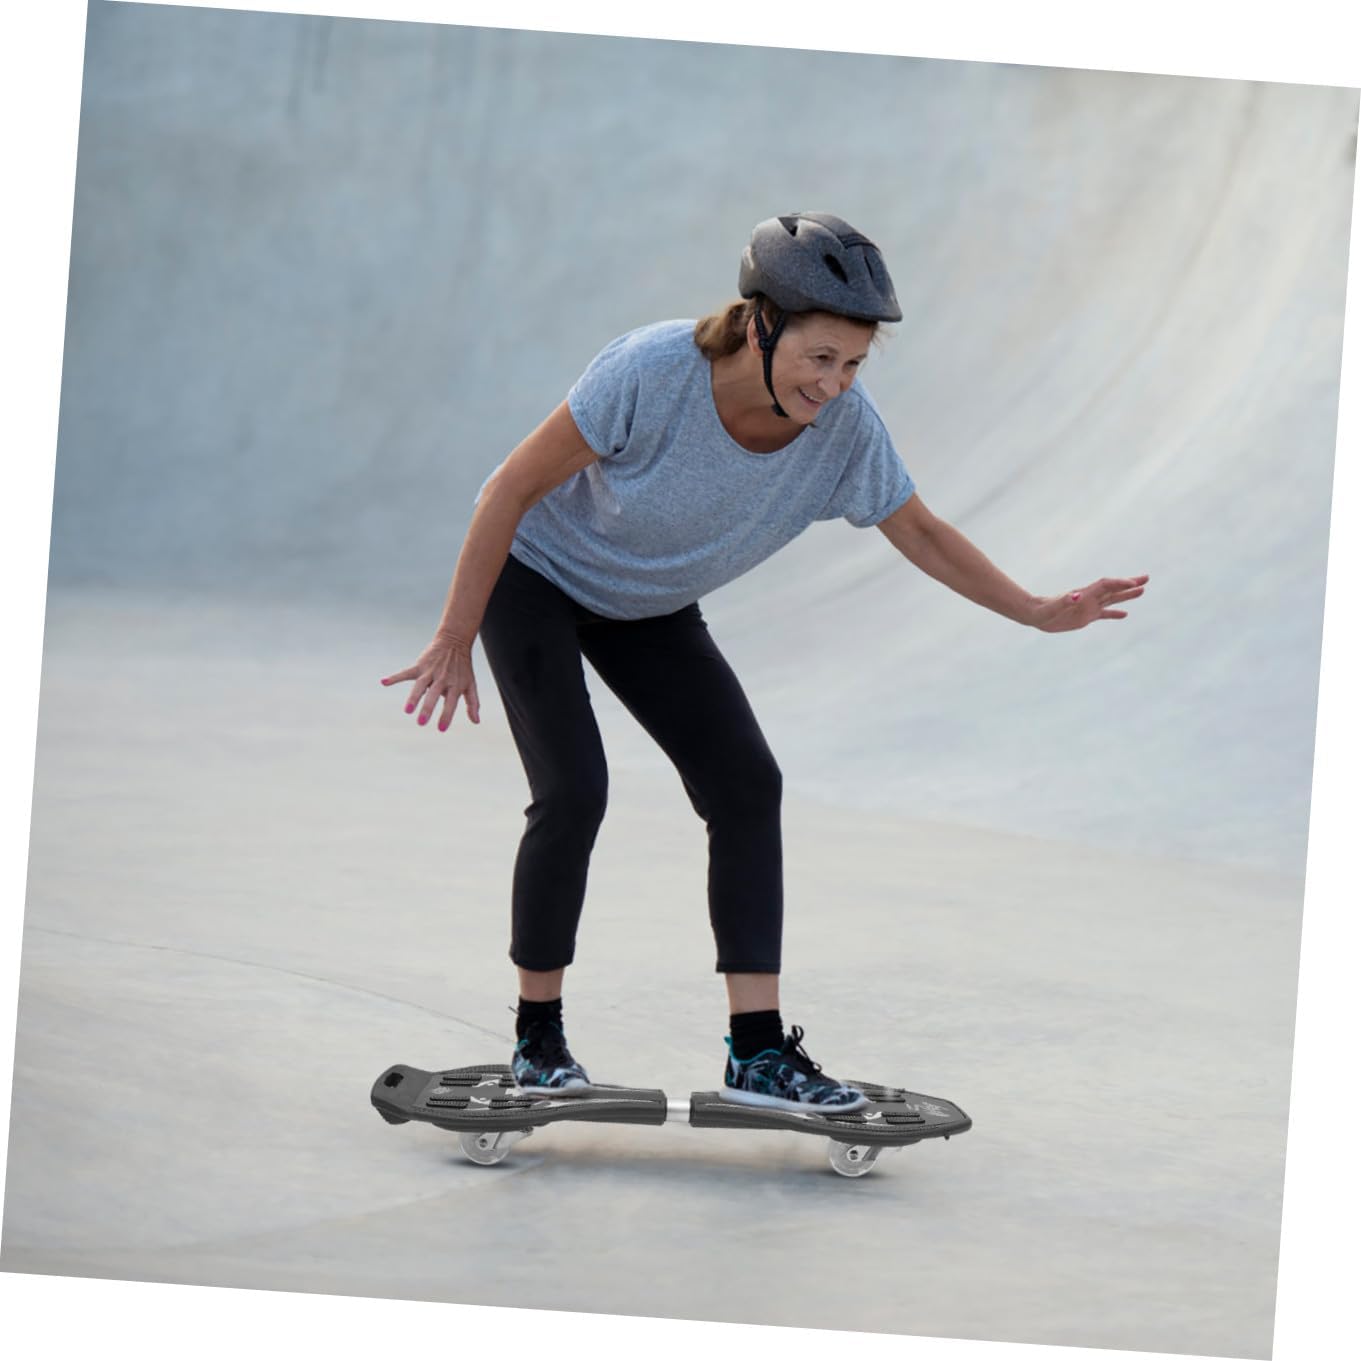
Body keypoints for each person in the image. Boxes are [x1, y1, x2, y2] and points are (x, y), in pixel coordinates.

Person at [381, 212, 1149, 1113]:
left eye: (852, 363)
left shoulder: (843, 432)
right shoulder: (652, 372)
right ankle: (536, 1039)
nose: (834, 383)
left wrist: (1036, 610)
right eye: (819, 356)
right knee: (575, 789)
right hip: (537, 578)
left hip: (650, 609)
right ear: (759, 325)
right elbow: (510, 486)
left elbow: (922, 534)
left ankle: (756, 1050)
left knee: (746, 784)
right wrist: (454, 633)